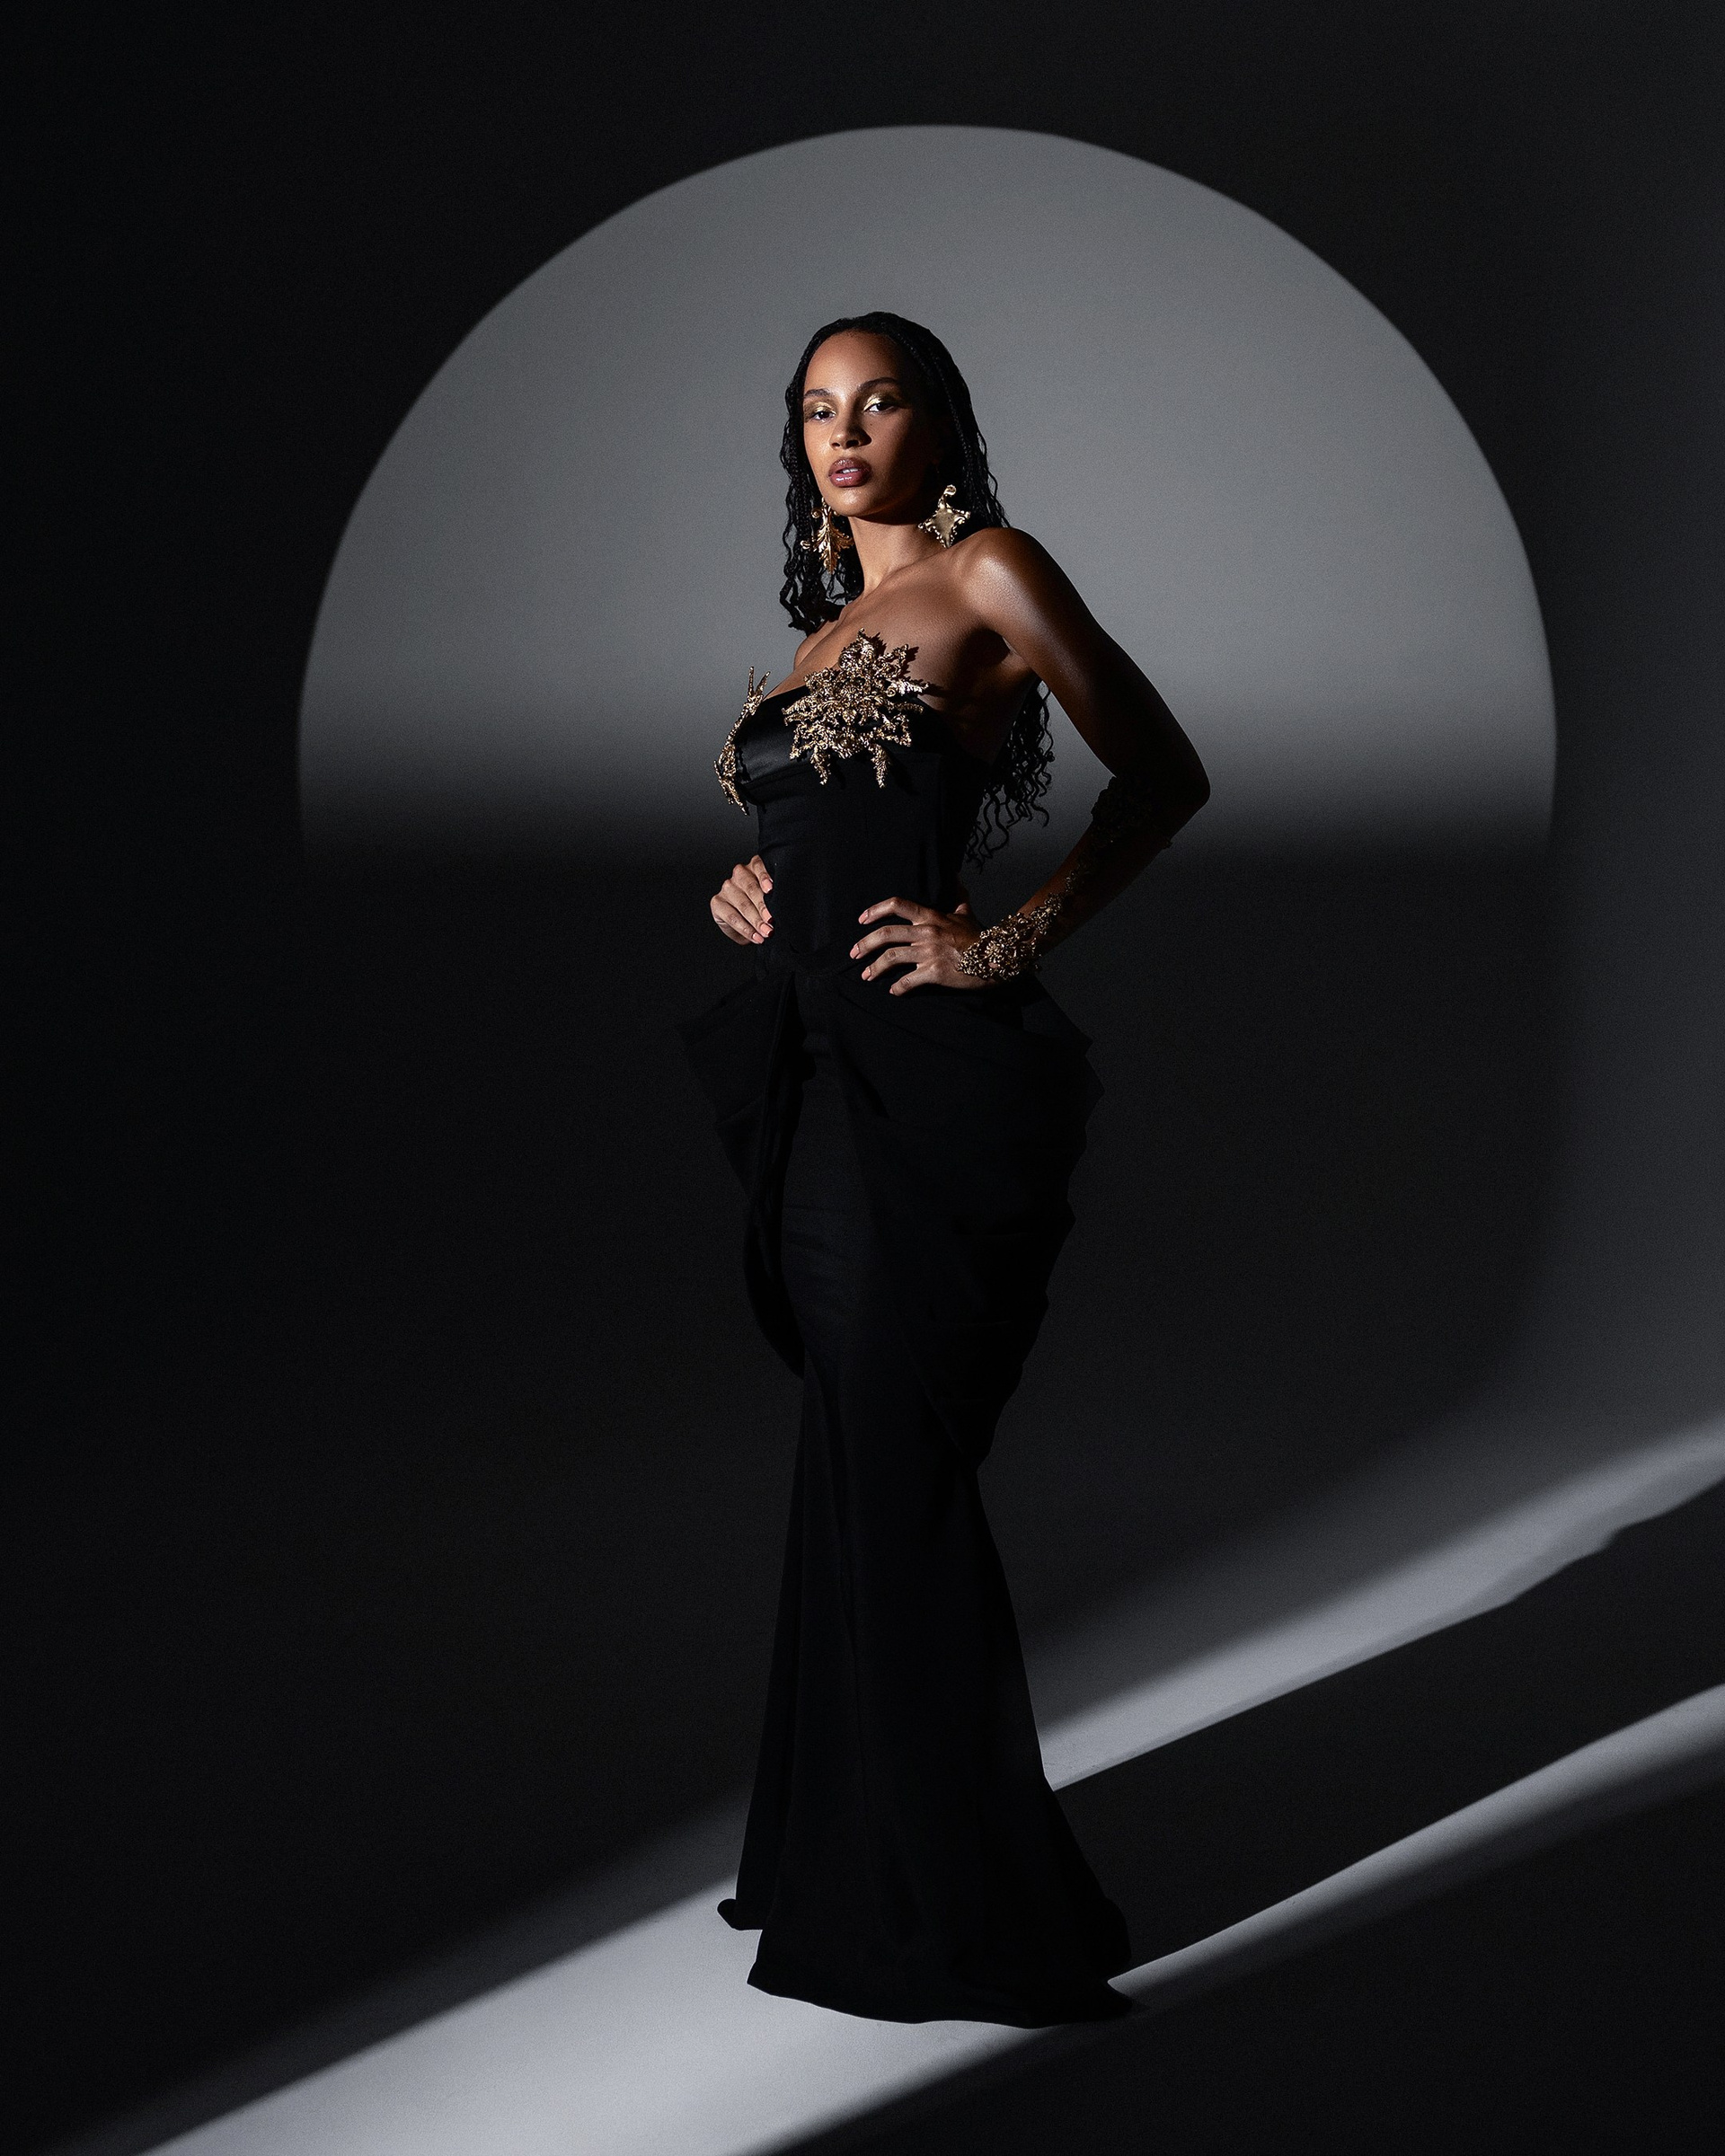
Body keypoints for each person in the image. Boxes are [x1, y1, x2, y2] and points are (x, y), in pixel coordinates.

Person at [679, 312, 1209, 2027]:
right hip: (808, 1070)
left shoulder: (993, 574)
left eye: (879, 401)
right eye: (816, 410)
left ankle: (964, 1913)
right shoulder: (818, 633)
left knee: (892, 1458)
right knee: (855, 1449)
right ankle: (838, 1851)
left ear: (939, 423)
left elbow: (1166, 773)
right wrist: (746, 889)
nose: (844, 434)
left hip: (917, 1080)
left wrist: (1003, 940)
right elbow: (811, 827)